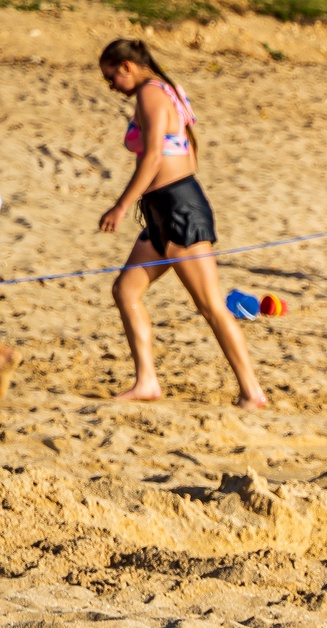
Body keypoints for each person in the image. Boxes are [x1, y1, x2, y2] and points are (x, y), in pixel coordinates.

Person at [96, 39, 268, 410]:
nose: (111, 86)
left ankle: (252, 390)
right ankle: (146, 381)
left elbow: (156, 154)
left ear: (127, 66)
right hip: (162, 209)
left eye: (111, 78)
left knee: (210, 306)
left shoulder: (151, 93)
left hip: (179, 208)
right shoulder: (164, 91)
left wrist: (121, 205)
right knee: (126, 290)